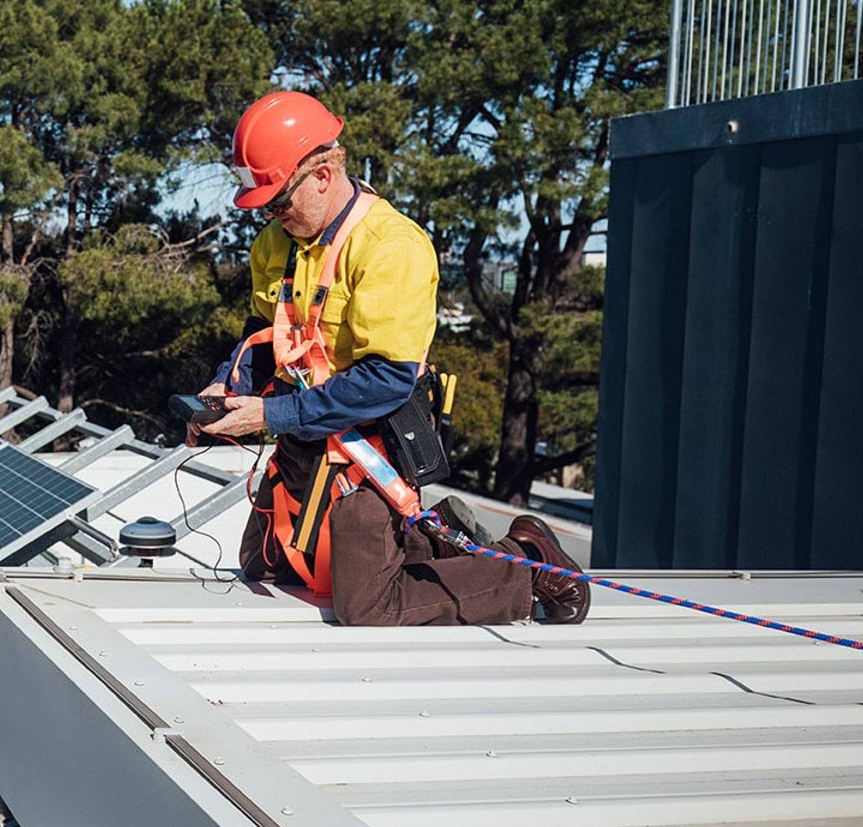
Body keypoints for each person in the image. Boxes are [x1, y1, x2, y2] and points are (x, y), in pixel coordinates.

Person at [193, 91, 589, 626]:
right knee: (265, 567)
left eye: (281, 200)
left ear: (325, 174)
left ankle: (530, 563)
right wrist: (227, 389)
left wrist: (269, 416)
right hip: (303, 442)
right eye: (264, 206)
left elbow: (384, 381)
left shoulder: (391, 246)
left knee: (367, 606)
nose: (274, 216)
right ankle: (434, 542)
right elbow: (265, 331)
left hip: (368, 452)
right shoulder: (276, 243)